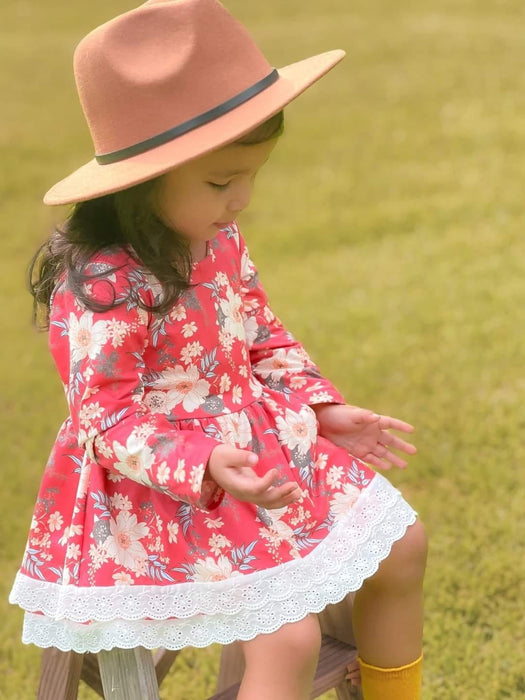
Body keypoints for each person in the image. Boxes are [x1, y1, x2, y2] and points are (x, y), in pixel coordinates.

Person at [9, 1, 427, 698]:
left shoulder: (217, 238)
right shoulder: (108, 283)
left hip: (259, 452)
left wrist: (320, 409)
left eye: (250, 175)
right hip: (159, 494)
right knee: (289, 635)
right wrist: (201, 460)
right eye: (220, 182)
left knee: (402, 545)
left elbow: (263, 333)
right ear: (142, 181)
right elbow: (104, 419)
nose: (242, 200)